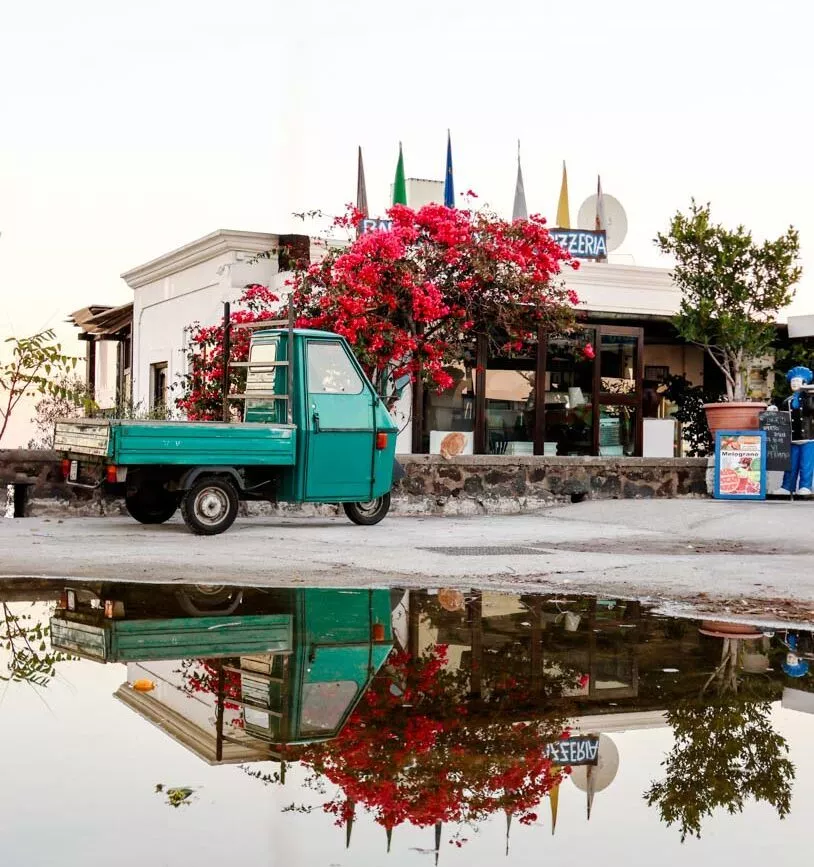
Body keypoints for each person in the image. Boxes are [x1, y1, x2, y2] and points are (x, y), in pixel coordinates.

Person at [773, 366, 814, 496]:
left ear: (804, 383)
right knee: (790, 464)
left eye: (798, 381)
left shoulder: (810, 399)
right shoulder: (787, 401)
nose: (794, 384)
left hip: (808, 437)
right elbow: (782, 417)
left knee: (806, 464)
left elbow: (811, 408)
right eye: (793, 382)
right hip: (792, 438)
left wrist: (809, 394)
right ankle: (787, 486)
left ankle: (805, 486)